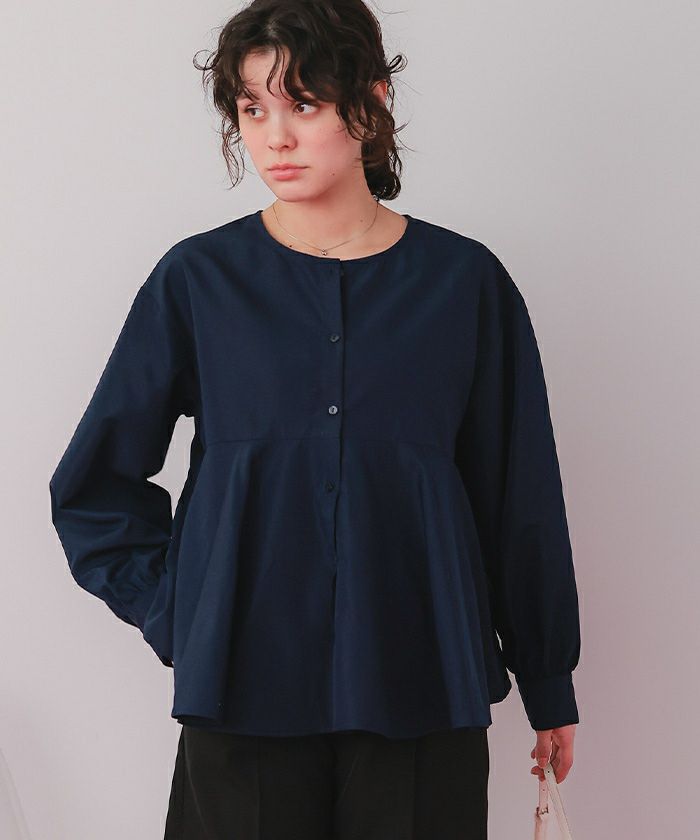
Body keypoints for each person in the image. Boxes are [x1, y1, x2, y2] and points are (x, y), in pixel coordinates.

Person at [48, 0, 581, 837]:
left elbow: (519, 498)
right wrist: (179, 608)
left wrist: (548, 679)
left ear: (370, 103)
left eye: (303, 103)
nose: (276, 137)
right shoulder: (199, 282)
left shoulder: (464, 284)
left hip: (421, 682)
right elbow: (93, 485)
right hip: (242, 691)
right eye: (252, 108)